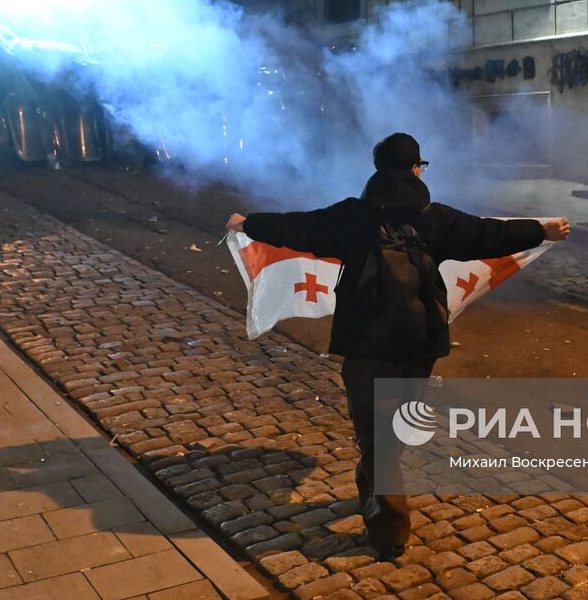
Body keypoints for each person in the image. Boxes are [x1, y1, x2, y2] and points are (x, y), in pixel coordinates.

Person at [225, 133, 569, 559]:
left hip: (366, 342)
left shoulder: (352, 216)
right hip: (418, 343)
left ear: (376, 169)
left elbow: (297, 226)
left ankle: (389, 527)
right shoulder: (435, 219)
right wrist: (541, 229)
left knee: (376, 434)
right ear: (415, 169)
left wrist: (249, 222)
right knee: (392, 434)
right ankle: (375, 495)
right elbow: (487, 235)